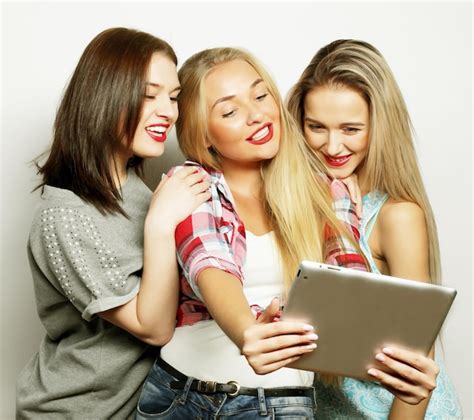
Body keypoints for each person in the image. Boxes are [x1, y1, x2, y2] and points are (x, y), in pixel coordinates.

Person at [135, 47, 436, 420]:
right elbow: (209, 264)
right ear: (203, 134)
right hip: (178, 395)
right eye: (230, 111)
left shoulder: (326, 187)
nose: (257, 115)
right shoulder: (191, 184)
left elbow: (346, 267)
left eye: (261, 96)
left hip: (278, 403)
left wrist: (391, 358)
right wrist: (247, 331)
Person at [16, 27, 210, 419]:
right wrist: (160, 224)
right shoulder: (65, 216)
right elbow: (153, 328)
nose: (168, 112)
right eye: (148, 95)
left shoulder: (143, 190)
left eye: (173, 98)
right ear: (104, 95)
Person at [287, 39, 462, 419]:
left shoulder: (396, 215)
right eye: (316, 127)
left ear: (380, 127)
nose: (333, 145)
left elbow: (417, 361)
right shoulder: (311, 204)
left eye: (351, 129)